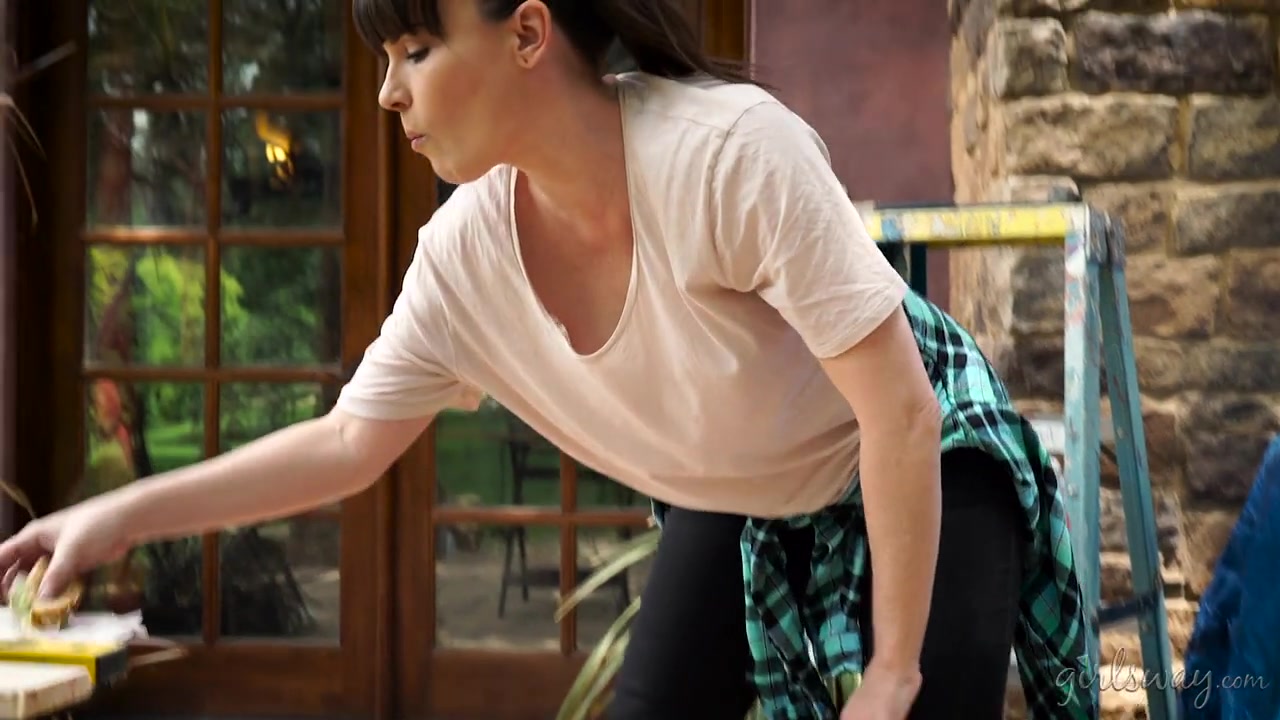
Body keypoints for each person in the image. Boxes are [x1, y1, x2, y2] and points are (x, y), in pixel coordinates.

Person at [0, 1, 1093, 718]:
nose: (387, 93)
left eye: (415, 51)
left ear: (528, 33)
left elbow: (899, 413)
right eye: (383, 60)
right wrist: (119, 516)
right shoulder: (464, 255)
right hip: (747, 490)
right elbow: (345, 443)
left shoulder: (728, 155)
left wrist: (892, 674)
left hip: (915, 457)